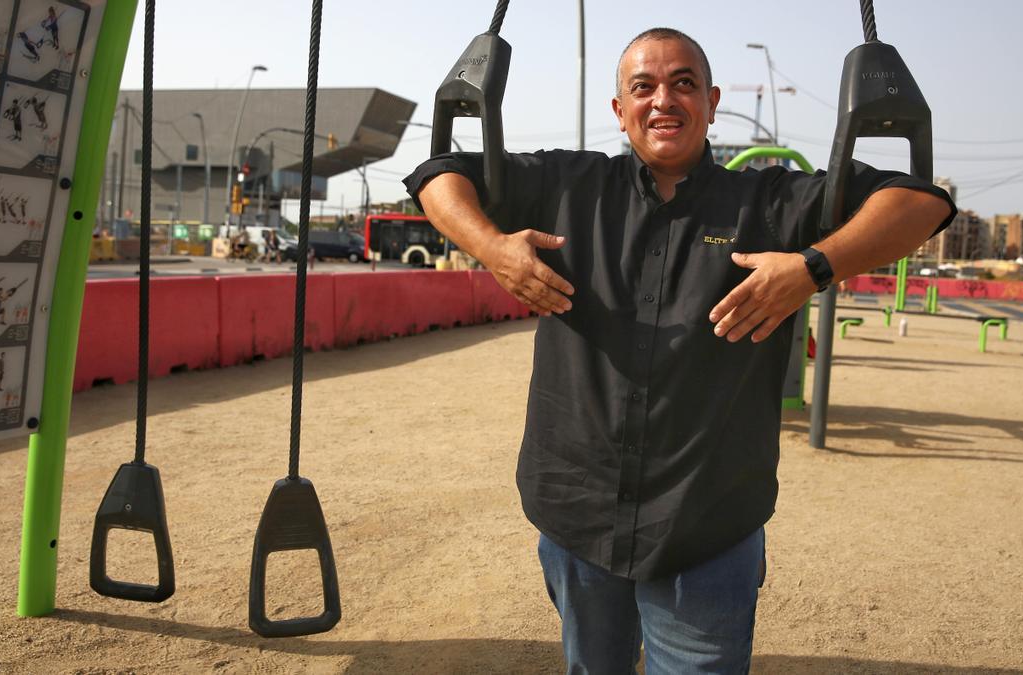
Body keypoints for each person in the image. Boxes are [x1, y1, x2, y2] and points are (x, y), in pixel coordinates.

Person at [403, 28, 954, 674]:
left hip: (706, 529)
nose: (663, 100)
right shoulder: (568, 186)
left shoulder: (769, 203)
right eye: (644, 87)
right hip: (578, 517)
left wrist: (812, 267)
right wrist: (493, 249)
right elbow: (439, 176)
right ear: (619, 110)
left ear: (712, 102)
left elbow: (920, 203)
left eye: (683, 84)